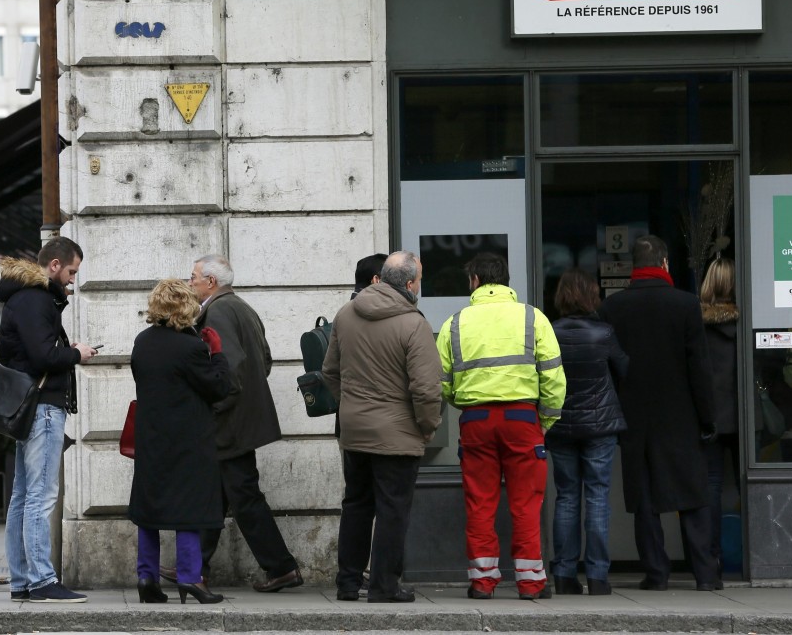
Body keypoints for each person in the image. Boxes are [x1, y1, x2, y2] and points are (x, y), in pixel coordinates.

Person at [438, 252, 566, 601]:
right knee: (526, 503)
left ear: (475, 281)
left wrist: (466, 404)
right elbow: (553, 377)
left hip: (476, 420)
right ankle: (530, 583)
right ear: (506, 281)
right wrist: (546, 421)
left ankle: (482, 582)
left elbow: (442, 381)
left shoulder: (455, 323)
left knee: (480, 502)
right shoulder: (533, 318)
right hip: (523, 420)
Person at [598, 235, 716, 591]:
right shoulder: (685, 304)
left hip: (635, 417)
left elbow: (609, 369)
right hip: (681, 416)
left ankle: (656, 573)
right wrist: (707, 417)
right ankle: (706, 575)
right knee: (692, 494)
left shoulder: (613, 308)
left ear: (634, 267)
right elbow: (699, 367)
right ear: (665, 264)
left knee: (645, 499)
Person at [323, 250, 442, 603]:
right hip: (398, 434)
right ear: (408, 284)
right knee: (392, 510)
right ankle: (384, 586)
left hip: (354, 430)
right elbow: (425, 388)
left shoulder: (345, 315)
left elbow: (329, 372)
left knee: (356, 505)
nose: (419, 285)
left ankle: (347, 583)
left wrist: (351, 406)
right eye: (419, 279)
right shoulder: (413, 323)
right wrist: (427, 426)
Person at [182, 254, 302, 592]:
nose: (190, 282)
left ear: (211, 282)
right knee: (218, 495)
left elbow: (228, 368)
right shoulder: (242, 308)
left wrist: (216, 407)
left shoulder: (217, 311)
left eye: (194, 277)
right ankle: (194, 569)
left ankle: (281, 568)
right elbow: (263, 360)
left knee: (243, 497)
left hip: (228, 422)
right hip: (240, 419)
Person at [0, 237, 99, 603]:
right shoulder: (36, 299)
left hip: (29, 406)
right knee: (39, 496)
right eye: (71, 271)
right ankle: (41, 580)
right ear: (54, 265)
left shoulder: (21, 296)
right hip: (42, 406)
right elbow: (43, 356)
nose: (72, 280)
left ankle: (22, 580)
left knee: (23, 496)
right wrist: (76, 353)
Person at [129, 279, 232, 605]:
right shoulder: (191, 347)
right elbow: (217, 387)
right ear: (185, 307)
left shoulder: (142, 341)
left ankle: (147, 577)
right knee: (190, 509)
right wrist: (216, 354)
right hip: (187, 440)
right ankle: (190, 578)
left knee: (150, 509)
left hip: (151, 438)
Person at [547, 268, 628, 596]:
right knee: (597, 496)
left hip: (562, 425)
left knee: (566, 496)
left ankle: (564, 574)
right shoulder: (604, 333)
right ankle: (597, 576)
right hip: (599, 426)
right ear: (592, 296)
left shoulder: (550, 332)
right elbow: (624, 369)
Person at [700, 256, 739, 582]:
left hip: (711, 417)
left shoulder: (697, 326)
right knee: (746, 486)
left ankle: (712, 562)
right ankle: (756, 559)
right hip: (744, 419)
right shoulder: (747, 323)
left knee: (711, 487)